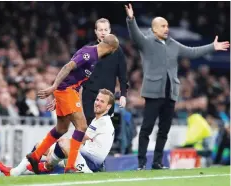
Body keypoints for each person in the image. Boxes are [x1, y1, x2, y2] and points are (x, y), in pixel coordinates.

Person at [125, 3, 230, 170]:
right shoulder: (147, 43)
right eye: (163, 26)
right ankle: (141, 163)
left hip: (170, 93)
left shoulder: (173, 43)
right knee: (146, 128)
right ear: (154, 29)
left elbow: (192, 52)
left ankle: (157, 162)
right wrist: (131, 19)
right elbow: (136, 36)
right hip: (153, 92)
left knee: (164, 129)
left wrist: (213, 47)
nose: (167, 28)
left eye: (167, 25)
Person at [26, 34, 119, 174]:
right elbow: (67, 67)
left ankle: (36, 155)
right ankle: (70, 166)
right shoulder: (89, 54)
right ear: (111, 49)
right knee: (81, 127)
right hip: (66, 90)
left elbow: (77, 81)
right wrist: (54, 87)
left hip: (69, 91)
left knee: (61, 129)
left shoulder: (93, 56)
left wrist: (58, 97)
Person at [0, 89, 115, 176]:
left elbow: (81, 137)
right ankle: (15, 172)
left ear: (108, 106)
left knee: (63, 142)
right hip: (83, 155)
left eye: (102, 101)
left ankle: (83, 171)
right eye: (97, 99)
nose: (97, 103)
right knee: (41, 145)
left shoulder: (103, 122)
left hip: (91, 163)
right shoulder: (98, 119)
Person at [82, 18, 128, 125]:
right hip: (89, 97)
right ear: (95, 31)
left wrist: (123, 95)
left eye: (105, 30)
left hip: (108, 97)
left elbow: (122, 75)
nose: (103, 32)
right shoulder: (87, 49)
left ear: (110, 31)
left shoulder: (118, 51)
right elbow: (77, 74)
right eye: (100, 30)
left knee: (104, 131)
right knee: (90, 130)